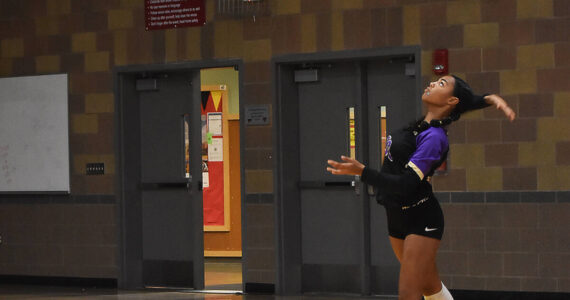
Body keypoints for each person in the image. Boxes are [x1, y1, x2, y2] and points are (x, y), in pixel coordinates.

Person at [326, 75, 516, 300]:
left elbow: (407, 184)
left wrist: (363, 172)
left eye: (441, 84)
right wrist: (488, 99)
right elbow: (463, 103)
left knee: (408, 293)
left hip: (421, 218)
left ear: (451, 100)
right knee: (429, 287)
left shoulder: (434, 138)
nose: (433, 83)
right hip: (395, 215)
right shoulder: (422, 125)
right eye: (436, 81)